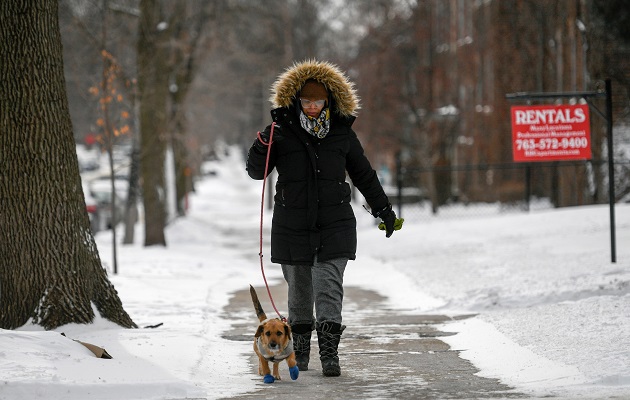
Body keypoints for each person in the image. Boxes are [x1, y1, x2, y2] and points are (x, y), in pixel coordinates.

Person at [246, 60, 401, 377]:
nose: (313, 106)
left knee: (329, 290)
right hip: (292, 226)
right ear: (297, 101)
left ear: (328, 101)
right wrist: (263, 143)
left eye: (318, 101)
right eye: (306, 101)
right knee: (300, 294)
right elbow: (255, 172)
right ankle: (300, 356)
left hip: (335, 225)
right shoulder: (282, 132)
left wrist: (383, 210)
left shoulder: (342, 133)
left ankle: (330, 356)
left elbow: (364, 175)